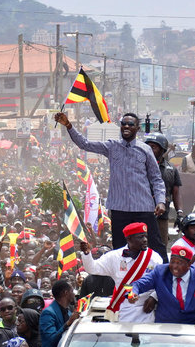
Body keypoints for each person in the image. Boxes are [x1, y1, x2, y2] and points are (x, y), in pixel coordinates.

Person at [54, 111, 167, 261]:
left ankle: (166, 278)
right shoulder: (111, 146)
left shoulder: (145, 150)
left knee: (155, 246)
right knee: (120, 248)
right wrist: (68, 125)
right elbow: (84, 144)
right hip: (119, 208)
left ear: (137, 128)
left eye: (130, 124)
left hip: (143, 208)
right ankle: (122, 280)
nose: (126, 126)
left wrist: (160, 201)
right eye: (123, 124)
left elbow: (156, 179)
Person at [79, 222, 163, 322]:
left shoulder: (155, 258)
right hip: (123, 310)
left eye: (145, 236)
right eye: (140, 237)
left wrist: (154, 297)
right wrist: (87, 254)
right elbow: (92, 268)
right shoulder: (114, 257)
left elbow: (162, 282)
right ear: (129, 239)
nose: (145, 240)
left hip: (147, 309)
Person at [128, 237, 195, 327]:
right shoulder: (160, 272)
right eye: (172, 262)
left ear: (189, 265)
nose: (174, 266)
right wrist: (133, 293)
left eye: (179, 263)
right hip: (165, 330)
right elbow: (137, 284)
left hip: (192, 330)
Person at [144, 133, 183, 247]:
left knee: (160, 248)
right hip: (141, 215)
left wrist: (179, 213)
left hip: (162, 217)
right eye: (148, 147)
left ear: (162, 149)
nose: (150, 150)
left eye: (154, 147)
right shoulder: (139, 167)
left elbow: (176, 193)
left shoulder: (171, 170)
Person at [38, 280, 79, 347]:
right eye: (72, 291)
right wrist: (68, 323)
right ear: (66, 293)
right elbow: (51, 339)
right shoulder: (48, 313)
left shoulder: (68, 312)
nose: (74, 295)